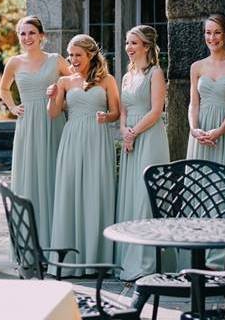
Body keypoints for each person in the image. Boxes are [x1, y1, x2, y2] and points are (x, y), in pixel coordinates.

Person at [48, 34, 119, 277]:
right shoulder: (65, 81)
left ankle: (96, 258)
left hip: (98, 140)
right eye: (71, 55)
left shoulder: (107, 79)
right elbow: (54, 113)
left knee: (95, 192)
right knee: (71, 192)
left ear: (90, 55)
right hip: (72, 139)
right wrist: (52, 96)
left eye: (78, 55)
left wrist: (106, 117)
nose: (74, 59)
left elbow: (116, 112)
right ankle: (70, 259)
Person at [0, 16, 68, 246]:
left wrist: (60, 96)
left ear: (41, 36)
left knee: (52, 174)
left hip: (52, 119)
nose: (27, 37)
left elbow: (76, 83)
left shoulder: (56, 60)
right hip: (27, 124)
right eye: (23, 33)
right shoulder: (14, 62)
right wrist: (12, 107)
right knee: (29, 177)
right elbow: (4, 89)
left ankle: (55, 240)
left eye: (31, 33)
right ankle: (29, 244)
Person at [115, 25, 171, 281]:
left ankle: (147, 263)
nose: (129, 48)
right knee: (130, 194)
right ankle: (129, 258)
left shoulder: (155, 73)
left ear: (147, 46)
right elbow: (123, 109)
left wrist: (134, 132)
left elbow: (156, 110)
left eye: (134, 43)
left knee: (145, 196)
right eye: (128, 43)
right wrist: (124, 130)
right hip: (131, 139)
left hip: (149, 137)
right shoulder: (127, 76)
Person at [186, 13, 225, 167]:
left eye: (217, 32)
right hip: (201, 130)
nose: (212, 38)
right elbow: (194, 104)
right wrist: (194, 129)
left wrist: (220, 130)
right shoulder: (196, 67)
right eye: (208, 32)